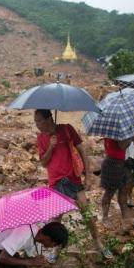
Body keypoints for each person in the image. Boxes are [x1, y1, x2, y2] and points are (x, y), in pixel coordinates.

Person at [34, 109, 112, 259]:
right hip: (56, 182)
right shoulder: (41, 138)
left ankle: (98, 243)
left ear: (49, 118)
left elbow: (82, 150)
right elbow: (43, 163)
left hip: (73, 179)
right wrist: (51, 146)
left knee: (86, 212)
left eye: (38, 120)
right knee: (56, 219)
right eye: (35, 121)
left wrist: (88, 176)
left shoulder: (67, 129)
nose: (36, 124)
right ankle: (56, 248)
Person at [100, 137, 133, 230]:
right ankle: (105, 217)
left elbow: (107, 145)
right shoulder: (117, 131)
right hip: (113, 163)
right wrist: (131, 138)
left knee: (123, 192)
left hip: (122, 162)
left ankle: (125, 218)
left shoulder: (114, 129)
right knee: (110, 192)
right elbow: (122, 146)